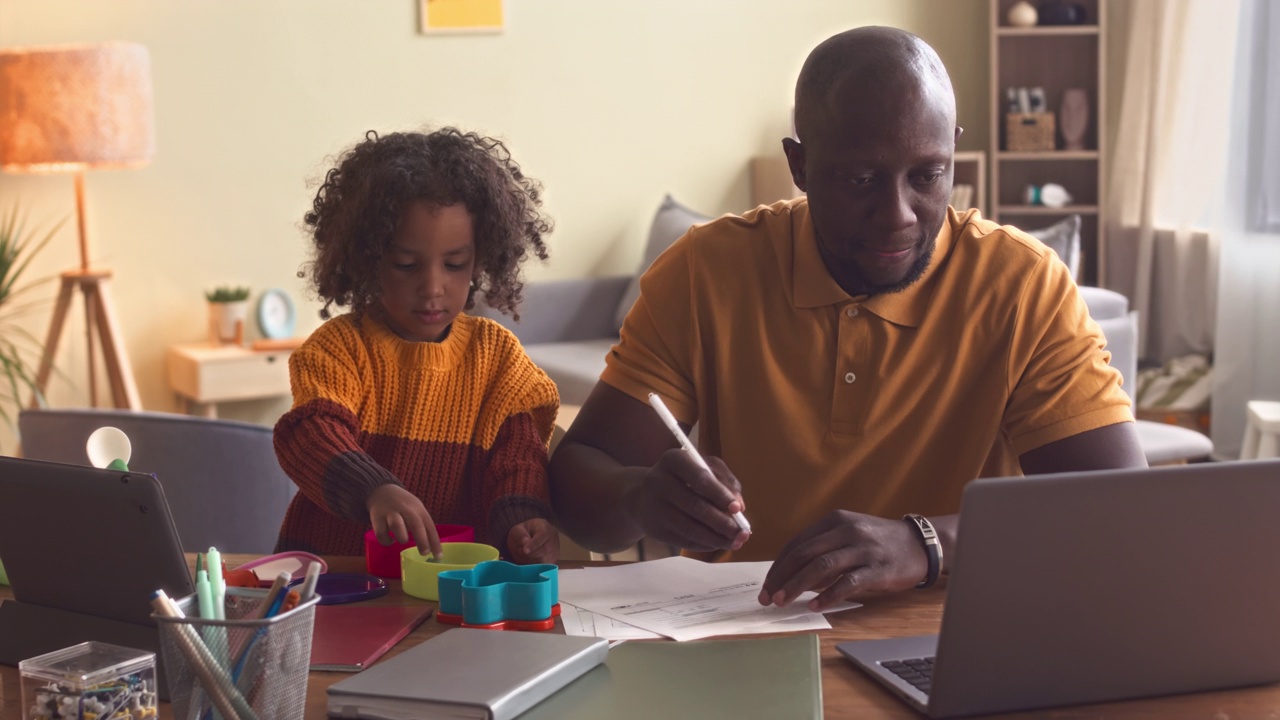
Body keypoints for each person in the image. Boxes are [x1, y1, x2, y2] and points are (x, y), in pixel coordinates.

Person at [548, 27, 1146, 608]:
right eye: (861, 179)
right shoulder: (708, 271)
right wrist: (639, 496)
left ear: (954, 153)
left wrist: (927, 543)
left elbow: (1122, 513)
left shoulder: (1022, 285)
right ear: (800, 166)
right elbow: (579, 485)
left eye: (928, 175)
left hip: (955, 630)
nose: (899, 216)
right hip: (751, 626)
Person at [274, 127, 561, 565]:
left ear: (480, 260)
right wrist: (374, 488)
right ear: (369, 258)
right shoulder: (339, 349)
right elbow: (312, 434)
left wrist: (522, 518)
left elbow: (517, 458)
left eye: (454, 264)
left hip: (451, 584)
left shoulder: (498, 358)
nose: (432, 287)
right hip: (337, 577)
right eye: (407, 265)